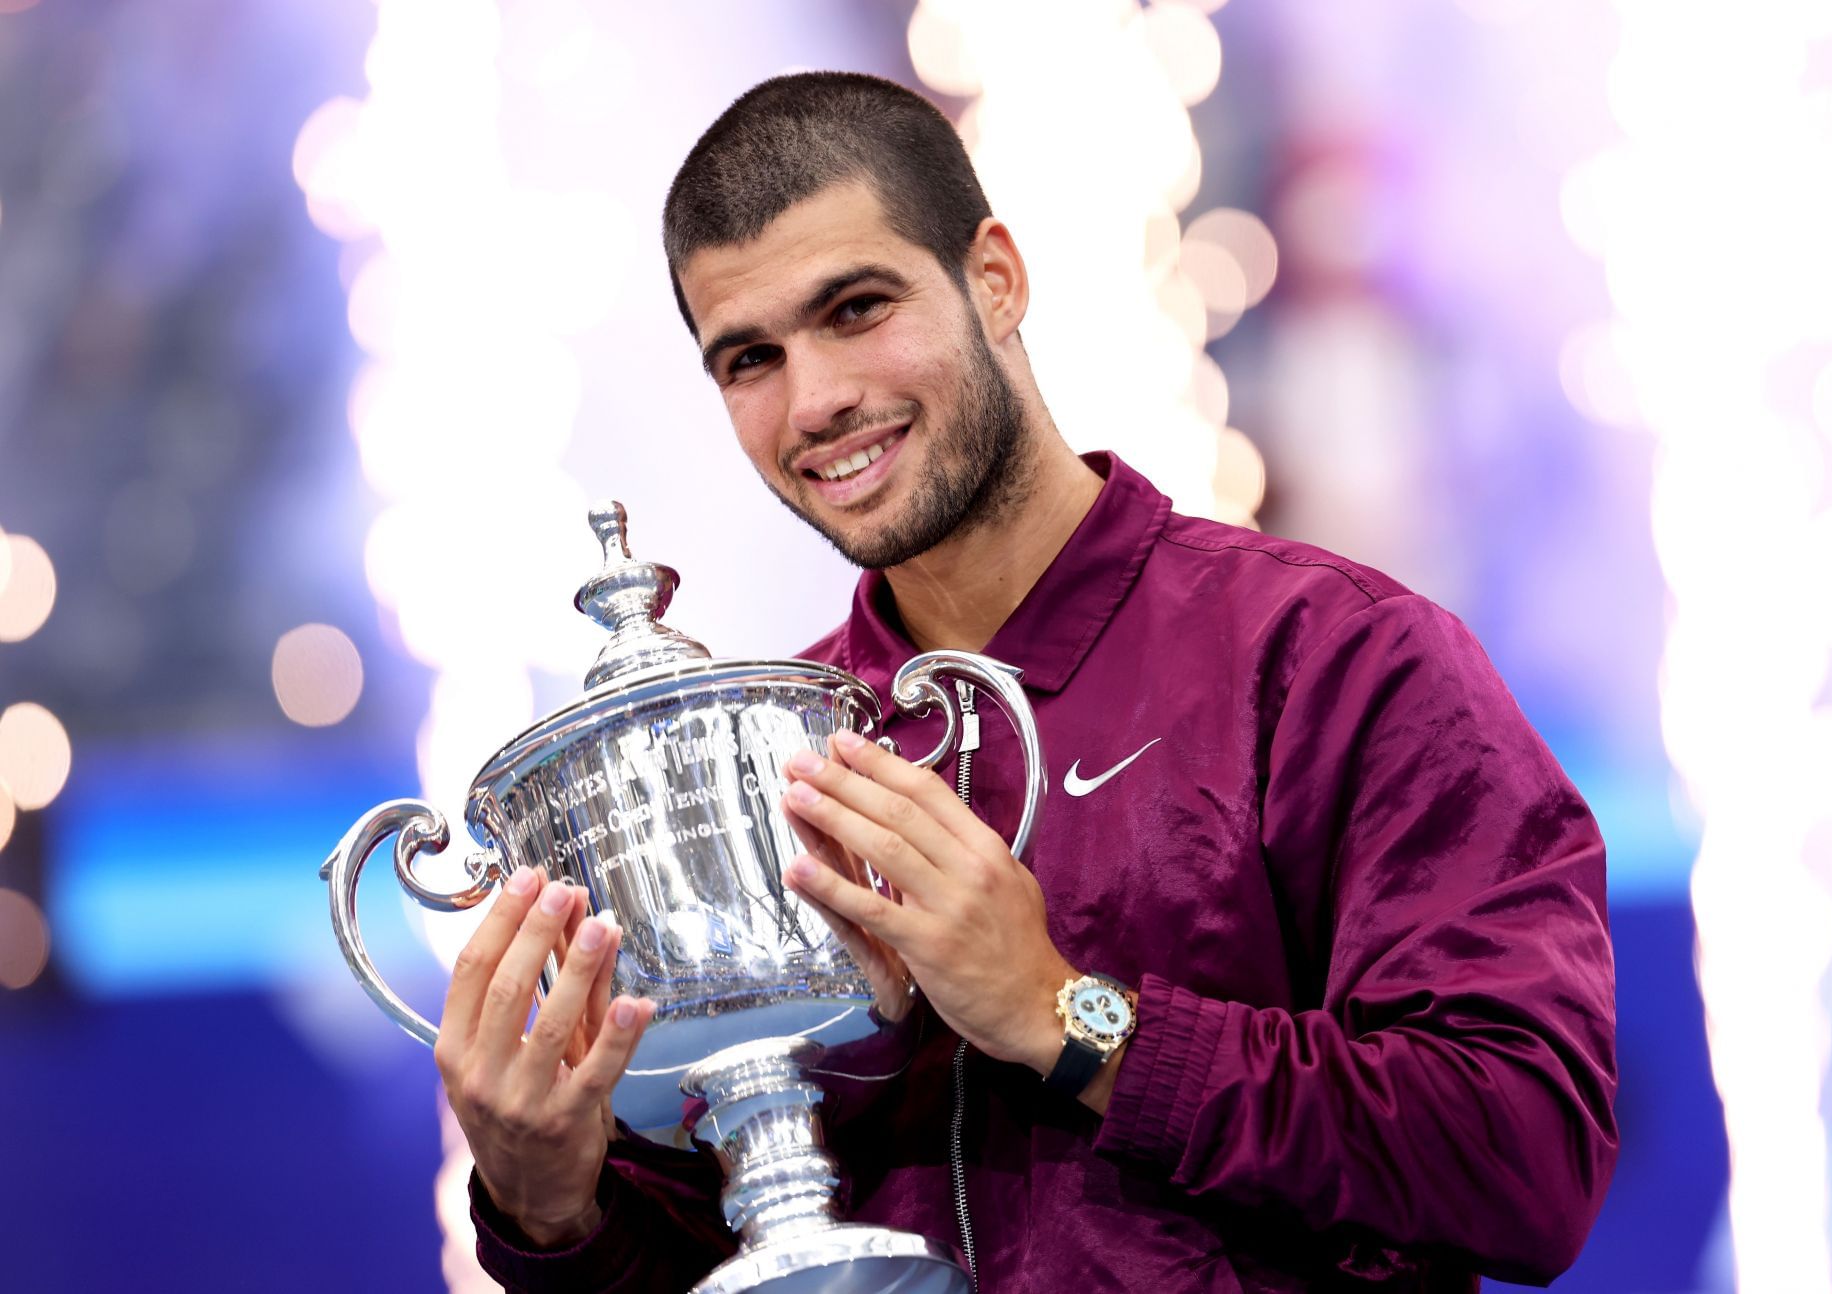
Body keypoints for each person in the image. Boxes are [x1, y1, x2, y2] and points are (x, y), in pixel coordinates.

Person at [431, 72, 1618, 1292]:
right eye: (751, 358)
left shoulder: (1333, 656)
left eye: (855, 308)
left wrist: (1070, 1017)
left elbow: (1525, 1151)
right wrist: (551, 1209)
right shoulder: (769, 761)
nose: (816, 401)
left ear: (994, 277)